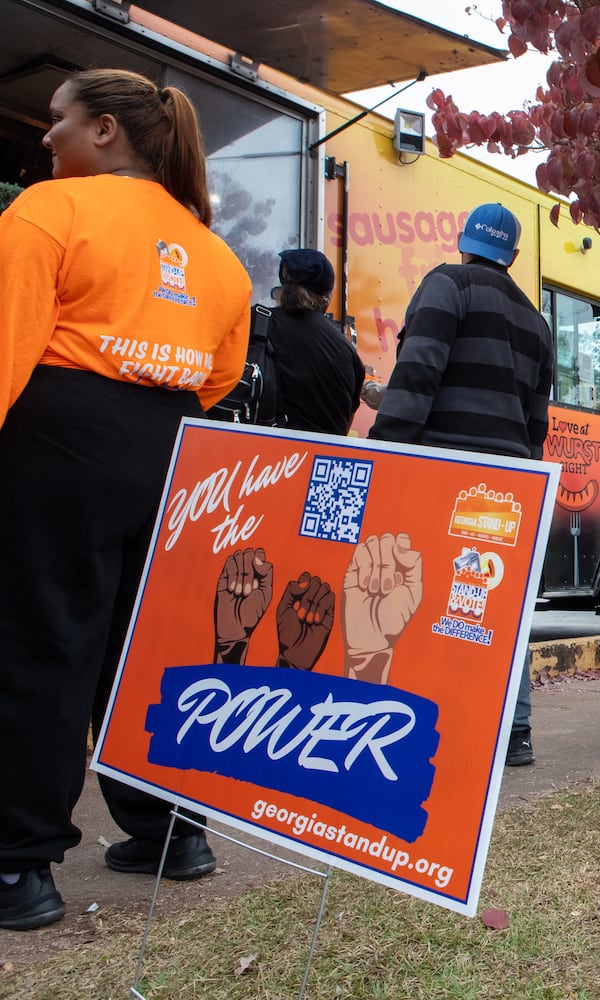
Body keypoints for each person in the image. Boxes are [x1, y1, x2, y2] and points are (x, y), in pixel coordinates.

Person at [0, 69, 252, 931]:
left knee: (42, 642)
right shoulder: (217, 255)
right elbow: (218, 378)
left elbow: (6, 344)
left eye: (59, 120)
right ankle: (173, 833)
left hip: (60, 430)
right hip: (177, 447)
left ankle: (18, 868)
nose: (46, 138)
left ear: (104, 130)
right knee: (145, 649)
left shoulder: (48, 210)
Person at [368, 202, 553, 767]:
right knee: (497, 602)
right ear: (513, 257)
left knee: (424, 594)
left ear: (464, 240)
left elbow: (419, 367)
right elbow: (538, 422)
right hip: (511, 480)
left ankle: (430, 718)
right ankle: (513, 731)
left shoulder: (447, 284)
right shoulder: (537, 322)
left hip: (446, 471)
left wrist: (386, 446)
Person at [266, 248, 364, 434]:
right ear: (327, 293)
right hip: (322, 459)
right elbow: (346, 419)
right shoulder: (345, 349)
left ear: (283, 286)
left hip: (259, 456)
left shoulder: (257, 323)